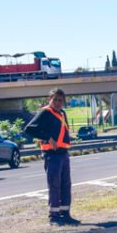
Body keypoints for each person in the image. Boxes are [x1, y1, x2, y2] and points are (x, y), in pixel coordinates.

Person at [24, 88, 79, 225]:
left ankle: (65, 213)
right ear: (50, 100)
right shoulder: (45, 112)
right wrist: (48, 138)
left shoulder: (62, 113)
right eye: (55, 99)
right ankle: (53, 216)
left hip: (63, 153)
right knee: (54, 185)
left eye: (60, 100)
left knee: (66, 184)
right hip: (52, 155)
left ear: (64, 102)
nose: (57, 102)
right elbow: (29, 129)